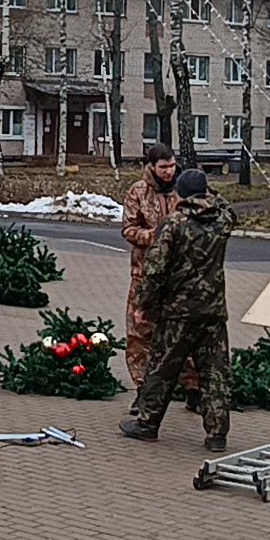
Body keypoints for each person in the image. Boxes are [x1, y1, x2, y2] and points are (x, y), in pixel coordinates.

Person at [119, 169, 237, 451]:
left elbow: (155, 269)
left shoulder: (174, 223)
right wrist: (211, 195)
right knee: (215, 373)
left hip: (178, 313)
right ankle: (217, 434)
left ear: (181, 194)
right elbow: (229, 209)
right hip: (213, 312)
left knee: (162, 369)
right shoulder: (222, 221)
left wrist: (143, 305)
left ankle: (147, 424)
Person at [121, 143, 181, 399]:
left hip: (178, 276)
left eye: (172, 165)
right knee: (139, 334)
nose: (169, 171)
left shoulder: (184, 189)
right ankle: (143, 390)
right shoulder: (138, 191)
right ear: (152, 167)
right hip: (145, 275)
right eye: (163, 167)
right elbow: (128, 229)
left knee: (180, 333)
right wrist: (156, 236)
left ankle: (189, 388)